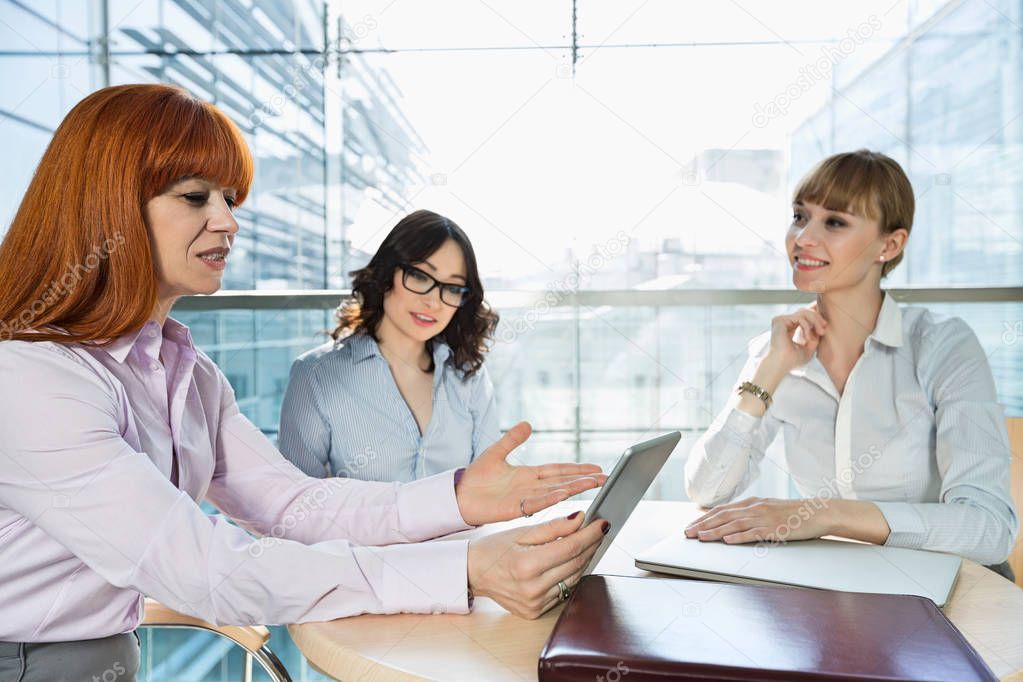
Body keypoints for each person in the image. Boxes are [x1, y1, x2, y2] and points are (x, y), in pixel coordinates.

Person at [0, 84, 608, 681]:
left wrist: (458, 497)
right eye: (195, 197)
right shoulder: (32, 378)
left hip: (104, 652)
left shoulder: (184, 371)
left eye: (230, 199)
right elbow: (213, 572)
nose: (227, 221)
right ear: (107, 208)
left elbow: (291, 504)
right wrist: (460, 567)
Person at [683, 150, 1018, 577]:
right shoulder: (777, 351)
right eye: (800, 216)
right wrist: (769, 371)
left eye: (835, 222)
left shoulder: (944, 346)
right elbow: (708, 491)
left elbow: (989, 528)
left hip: (950, 592)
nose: (803, 238)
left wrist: (826, 515)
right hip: (840, 588)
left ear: (890, 244)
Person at [279, 209, 501, 482]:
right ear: (386, 275)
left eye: (453, 288)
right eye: (420, 276)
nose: (434, 302)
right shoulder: (315, 375)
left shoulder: (468, 375)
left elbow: (489, 487)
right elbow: (296, 503)